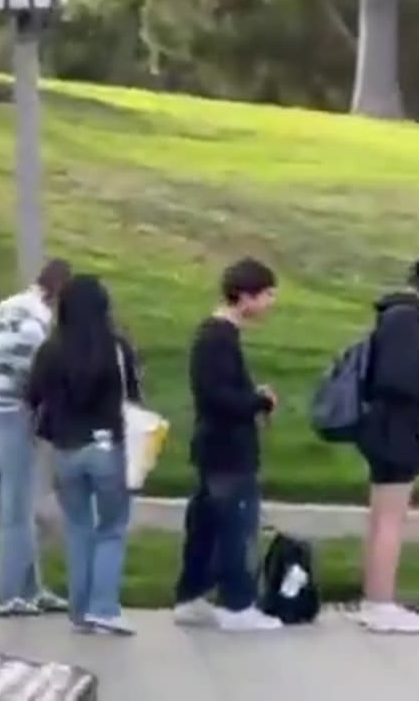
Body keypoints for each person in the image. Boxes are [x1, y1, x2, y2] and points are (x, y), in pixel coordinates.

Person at [172, 257, 282, 632]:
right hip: (227, 450)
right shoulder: (217, 338)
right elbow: (216, 396)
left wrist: (251, 395)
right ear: (245, 296)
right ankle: (238, 604)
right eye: (267, 295)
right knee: (237, 527)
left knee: (207, 525)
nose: (270, 304)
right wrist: (259, 401)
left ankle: (192, 596)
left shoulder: (219, 336)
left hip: (216, 447)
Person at [354, 255, 419, 634]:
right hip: (396, 429)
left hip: (381, 427)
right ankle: (380, 604)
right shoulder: (406, 319)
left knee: (381, 518)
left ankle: (373, 598)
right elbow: (396, 379)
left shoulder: (392, 313)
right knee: (390, 521)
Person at [28, 275, 140, 635]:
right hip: (108, 447)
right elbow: (133, 397)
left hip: (65, 450)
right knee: (111, 529)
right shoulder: (117, 349)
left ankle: (80, 610)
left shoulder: (50, 350)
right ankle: (104, 607)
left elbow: (32, 395)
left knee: (78, 529)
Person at [0, 259, 72, 617]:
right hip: (11, 419)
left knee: (11, 509)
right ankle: (6, 596)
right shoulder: (39, 324)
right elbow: (39, 379)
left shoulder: (6, 307)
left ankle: (32, 590)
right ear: (59, 294)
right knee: (18, 513)